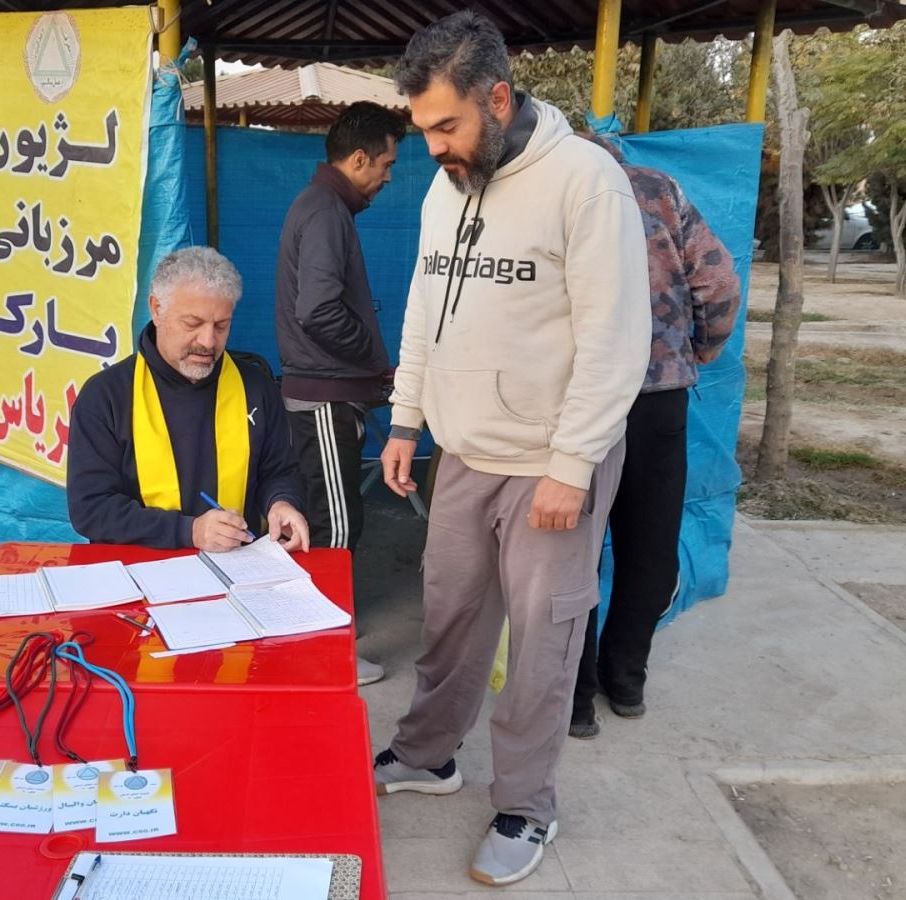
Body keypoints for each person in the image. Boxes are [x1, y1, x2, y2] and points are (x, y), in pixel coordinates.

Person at [370, 10, 650, 887]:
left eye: (446, 126)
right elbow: (424, 310)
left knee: (541, 642)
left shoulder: (585, 184)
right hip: (464, 452)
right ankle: (428, 755)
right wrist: (407, 420)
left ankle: (527, 803)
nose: (432, 148)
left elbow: (616, 340)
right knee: (450, 616)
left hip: (548, 465)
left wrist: (572, 464)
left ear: (497, 99)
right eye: (423, 130)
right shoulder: (445, 189)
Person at [568, 135, 741, 739]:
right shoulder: (659, 191)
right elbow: (719, 283)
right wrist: (696, 350)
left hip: (576, 402)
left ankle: (574, 700)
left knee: (571, 551)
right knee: (648, 546)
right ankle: (626, 681)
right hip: (656, 396)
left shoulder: (554, 190)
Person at [275, 100, 406, 685]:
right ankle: (326, 655)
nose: (388, 177)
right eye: (386, 164)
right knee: (335, 527)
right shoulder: (326, 211)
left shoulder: (322, 206)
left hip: (325, 390)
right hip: (323, 397)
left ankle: (313, 641)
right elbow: (320, 312)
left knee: (329, 519)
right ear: (358, 159)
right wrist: (375, 361)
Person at [67, 246, 310, 553]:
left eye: (221, 326)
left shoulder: (255, 387)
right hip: (139, 568)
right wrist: (189, 531)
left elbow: (279, 471)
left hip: (239, 564)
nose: (208, 341)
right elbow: (91, 508)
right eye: (193, 324)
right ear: (156, 309)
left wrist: (282, 503)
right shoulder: (105, 396)